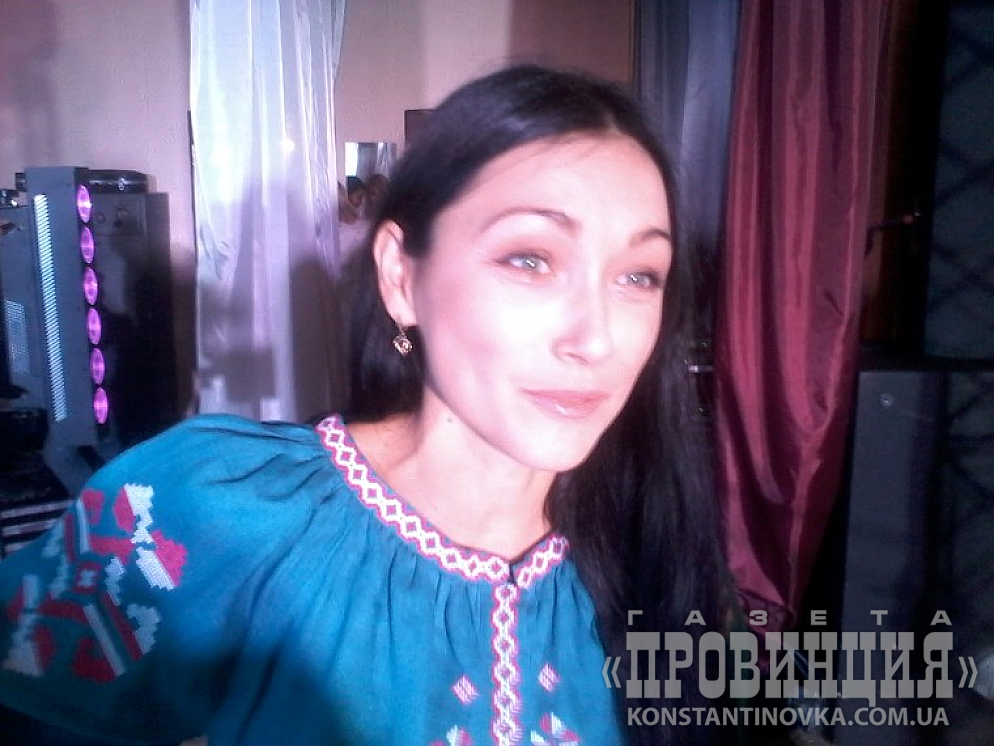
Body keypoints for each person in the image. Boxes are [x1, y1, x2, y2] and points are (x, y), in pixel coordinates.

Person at [0, 65, 738, 745]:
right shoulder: (217, 510)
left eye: (639, 275)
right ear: (401, 277)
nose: (597, 339)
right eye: (530, 259)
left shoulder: (658, 546)